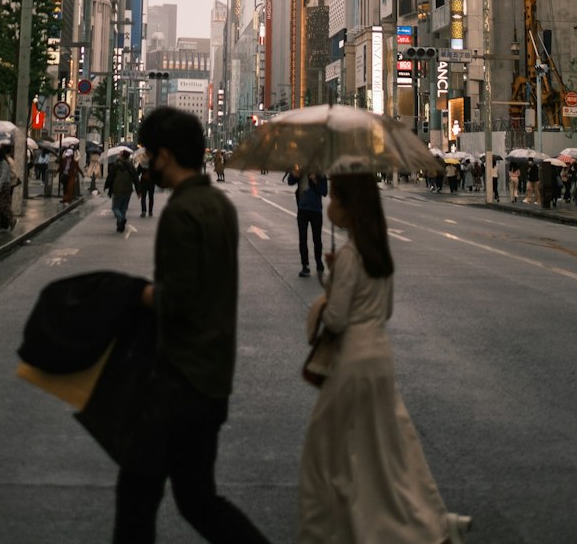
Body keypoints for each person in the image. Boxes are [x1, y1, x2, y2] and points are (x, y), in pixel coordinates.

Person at [112, 106, 270, 544]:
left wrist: (129, 293)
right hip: (211, 374)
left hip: (177, 380)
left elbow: (176, 300)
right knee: (197, 498)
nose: (147, 162)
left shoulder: (183, 211)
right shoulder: (217, 204)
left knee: (137, 495)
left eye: (149, 153)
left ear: (165, 155)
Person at [297, 172, 470, 544]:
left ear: (347, 207)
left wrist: (328, 292)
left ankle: (343, 529)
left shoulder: (349, 257)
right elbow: (384, 311)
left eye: (335, 199)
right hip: (380, 358)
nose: (329, 205)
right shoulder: (379, 254)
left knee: (327, 452)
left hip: (352, 364)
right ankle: (425, 522)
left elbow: (337, 319)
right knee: (388, 451)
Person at [287, 166, 327, 279]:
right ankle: (305, 265)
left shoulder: (320, 173)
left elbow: (324, 192)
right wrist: (295, 173)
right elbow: (290, 182)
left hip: (316, 210)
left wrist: (315, 180)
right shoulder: (301, 169)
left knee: (317, 238)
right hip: (302, 209)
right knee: (302, 238)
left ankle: (319, 262)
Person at [105, 149, 137, 233]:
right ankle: (120, 226)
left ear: (122, 156)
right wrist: (138, 189)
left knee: (115, 207)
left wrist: (107, 186)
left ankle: (121, 219)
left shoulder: (116, 165)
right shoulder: (130, 166)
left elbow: (110, 177)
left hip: (117, 189)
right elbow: (135, 178)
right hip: (128, 190)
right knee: (123, 208)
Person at [0, 141, 20, 230]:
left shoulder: (4, 163)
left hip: (2, 187)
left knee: (3, 205)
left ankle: (12, 219)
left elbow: (4, 176)